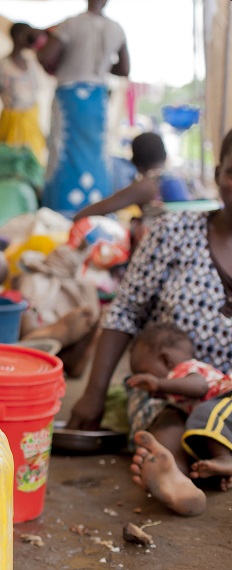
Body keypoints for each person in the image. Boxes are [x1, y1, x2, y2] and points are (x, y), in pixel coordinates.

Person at [69, 130, 232, 517]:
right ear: (217, 174)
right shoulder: (175, 233)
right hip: (169, 391)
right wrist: (93, 392)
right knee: (168, 419)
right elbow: (125, 310)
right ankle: (173, 473)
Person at [38, 0, 130, 217]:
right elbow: (124, 69)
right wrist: (99, 66)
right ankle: (95, 207)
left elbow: (45, 56)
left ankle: (60, 207)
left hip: (70, 98)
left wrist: (71, 58)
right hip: (97, 98)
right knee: (95, 153)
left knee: (63, 150)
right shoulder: (116, 29)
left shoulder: (70, 24)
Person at [126, 323, 232, 510]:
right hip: (223, 418)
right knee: (197, 429)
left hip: (227, 400)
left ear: (166, 360)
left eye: (143, 373)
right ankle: (178, 481)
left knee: (203, 415)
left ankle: (225, 460)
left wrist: (158, 383)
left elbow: (200, 387)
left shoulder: (185, 368)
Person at [74, 132, 191, 220]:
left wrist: (75, 218)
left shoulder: (147, 185)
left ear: (135, 161)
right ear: (164, 155)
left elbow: (101, 208)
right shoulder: (176, 179)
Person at [0, 22, 46, 163]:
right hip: (11, 123)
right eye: (28, 35)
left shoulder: (32, 63)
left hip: (31, 122)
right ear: (18, 37)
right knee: (11, 164)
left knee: (34, 164)